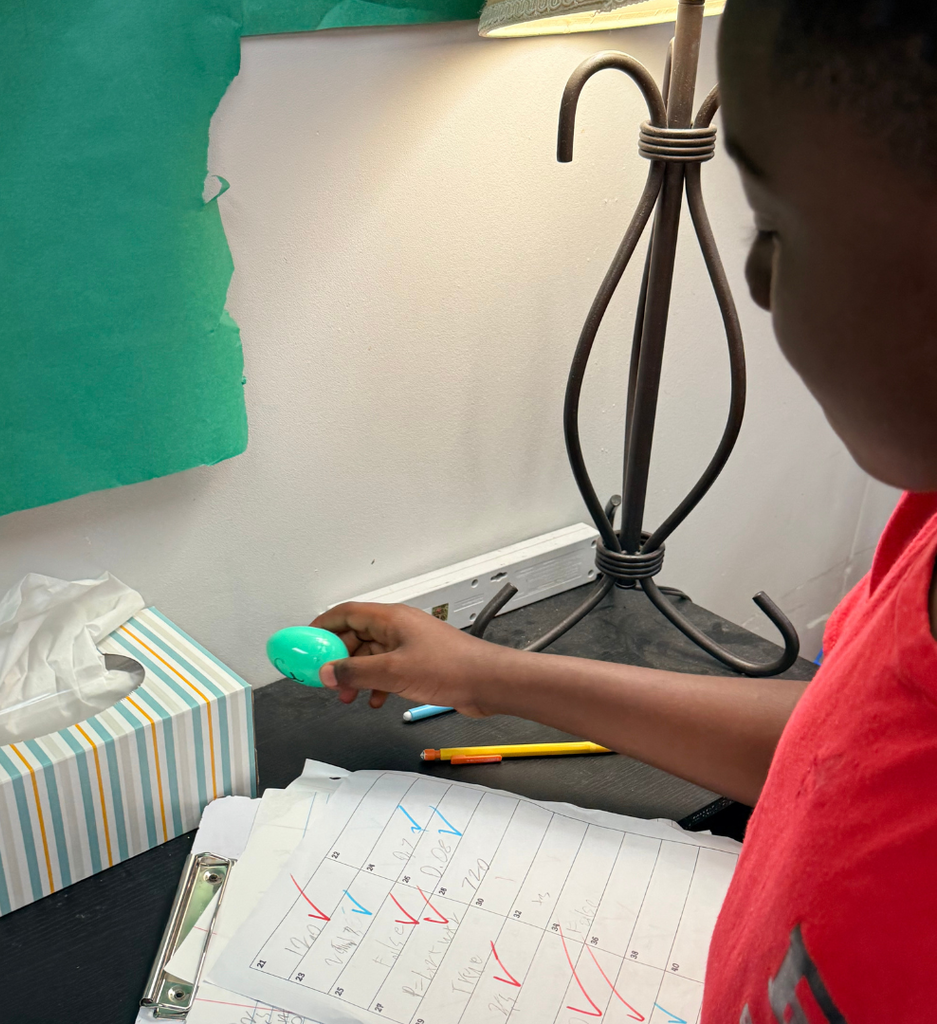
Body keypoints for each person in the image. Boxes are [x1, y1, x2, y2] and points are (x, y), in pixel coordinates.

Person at [312, 1, 937, 1020]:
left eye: (773, 221)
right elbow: (842, 744)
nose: (758, 277)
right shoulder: (923, 529)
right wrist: (482, 673)